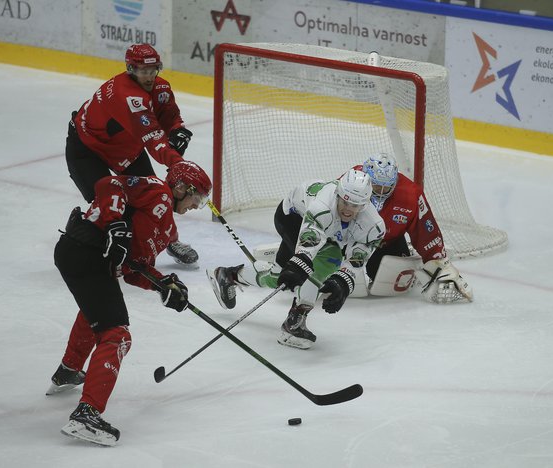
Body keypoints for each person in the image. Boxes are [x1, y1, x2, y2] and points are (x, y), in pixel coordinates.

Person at [47, 161, 212, 447]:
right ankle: (86, 415)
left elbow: (135, 268)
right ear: (181, 186)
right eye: (196, 197)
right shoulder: (157, 190)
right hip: (85, 250)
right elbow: (108, 184)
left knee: (97, 311)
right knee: (117, 335)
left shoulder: (167, 229)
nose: (197, 205)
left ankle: (68, 371)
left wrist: (165, 285)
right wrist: (115, 223)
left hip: (88, 259)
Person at [207, 169, 385, 350]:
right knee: (327, 260)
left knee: (279, 276)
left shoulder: (374, 225)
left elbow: (358, 258)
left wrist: (343, 282)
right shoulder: (322, 206)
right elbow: (310, 241)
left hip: (328, 232)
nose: (349, 209)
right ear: (338, 194)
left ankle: (228, 276)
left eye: (356, 205)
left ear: (365, 205)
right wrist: (299, 263)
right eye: (345, 201)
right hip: (292, 218)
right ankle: (295, 322)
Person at [65, 43, 200, 267]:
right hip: (87, 149)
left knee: (155, 196)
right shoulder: (125, 94)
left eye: (152, 70)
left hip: (126, 148)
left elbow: (170, 117)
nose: (148, 77)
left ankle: (170, 240)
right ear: (130, 69)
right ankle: (78, 231)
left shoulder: (161, 88)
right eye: (142, 71)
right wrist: (179, 165)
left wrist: (177, 131)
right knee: (106, 201)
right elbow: (154, 140)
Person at [358, 153, 472, 303]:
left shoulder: (410, 194)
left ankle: (408, 254)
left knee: (387, 284)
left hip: (386, 241)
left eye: (386, 187)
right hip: (348, 239)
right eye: (376, 185)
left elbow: (426, 231)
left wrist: (438, 262)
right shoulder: (350, 183)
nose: (380, 192)